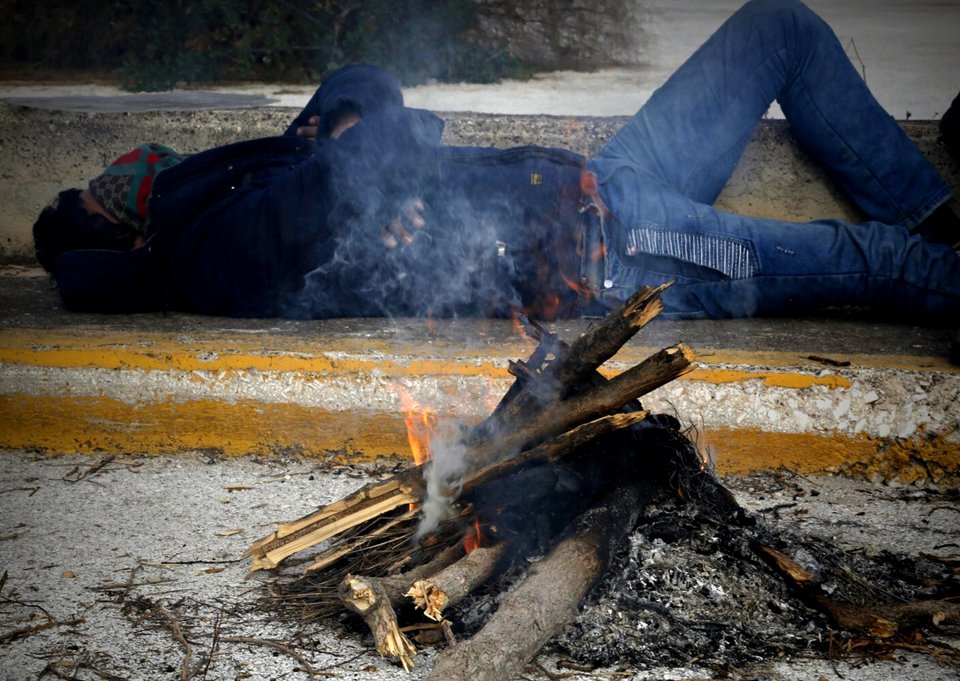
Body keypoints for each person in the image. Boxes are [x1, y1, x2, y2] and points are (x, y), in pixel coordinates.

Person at [33, 1, 960, 334]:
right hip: (600, 249)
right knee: (875, 264)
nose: (126, 165)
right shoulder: (202, 252)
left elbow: (358, 113)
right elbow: (343, 177)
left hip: (588, 179)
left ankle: (940, 215)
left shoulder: (236, 187)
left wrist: (347, 113)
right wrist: (360, 138)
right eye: (102, 185)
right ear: (117, 223)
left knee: (778, 29)